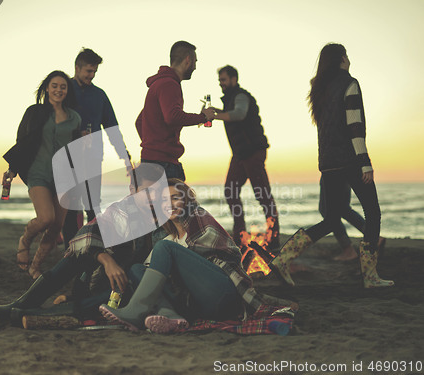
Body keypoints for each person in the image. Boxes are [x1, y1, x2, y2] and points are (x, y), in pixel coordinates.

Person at [269, 43, 393, 288]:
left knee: (331, 219)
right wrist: (364, 162)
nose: (349, 59)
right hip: (349, 160)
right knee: (373, 212)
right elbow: (355, 126)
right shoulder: (350, 83)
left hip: (327, 163)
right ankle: (370, 276)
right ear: (341, 60)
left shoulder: (320, 89)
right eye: (346, 55)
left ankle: (284, 257)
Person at [100, 179, 296, 333]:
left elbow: (232, 254)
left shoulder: (199, 218)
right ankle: (170, 315)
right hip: (195, 305)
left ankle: (135, 312)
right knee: (137, 269)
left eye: (176, 197)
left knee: (164, 249)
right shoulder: (167, 238)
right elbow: (153, 275)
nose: (170, 204)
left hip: (223, 294)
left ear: (186, 200)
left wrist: (174, 264)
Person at [0, 163, 168, 322]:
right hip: (99, 280)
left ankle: (40, 314)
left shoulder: (166, 217)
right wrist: (106, 260)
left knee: (127, 285)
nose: (152, 198)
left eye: (158, 192)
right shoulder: (121, 211)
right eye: (146, 191)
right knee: (79, 254)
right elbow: (87, 233)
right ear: (132, 189)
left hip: (128, 288)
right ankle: (23, 303)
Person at [3, 70, 81, 279]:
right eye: (54, 85)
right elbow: (22, 140)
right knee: (46, 218)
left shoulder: (75, 117)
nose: (58, 90)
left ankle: (35, 267)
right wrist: (12, 169)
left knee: (56, 226)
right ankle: (25, 240)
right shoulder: (34, 112)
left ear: (67, 90)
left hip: (65, 177)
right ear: (47, 88)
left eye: (63, 86)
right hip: (39, 172)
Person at [62, 48, 130, 251]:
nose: (91, 76)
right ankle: (70, 251)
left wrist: (124, 157)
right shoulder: (64, 91)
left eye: (94, 72)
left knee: (93, 206)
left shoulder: (99, 95)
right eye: (88, 71)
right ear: (77, 68)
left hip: (93, 159)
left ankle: (92, 249)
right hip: (68, 160)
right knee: (69, 208)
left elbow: (112, 128)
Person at [211, 65, 279, 248]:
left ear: (234, 79)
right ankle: (240, 236)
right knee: (230, 191)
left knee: (263, 194)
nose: (221, 84)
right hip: (240, 154)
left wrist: (216, 115)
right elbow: (230, 113)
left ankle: (273, 239)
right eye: (220, 81)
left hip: (253, 152)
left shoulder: (241, 96)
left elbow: (239, 114)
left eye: (224, 80)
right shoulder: (230, 99)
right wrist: (214, 112)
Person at [135, 41, 215, 181]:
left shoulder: (159, 84)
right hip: (163, 164)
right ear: (188, 60)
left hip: (151, 161)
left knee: (160, 203)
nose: (195, 67)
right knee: (180, 202)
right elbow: (172, 117)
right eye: (195, 61)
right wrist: (203, 116)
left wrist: (153, 146)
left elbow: (139, 121)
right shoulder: (169, 84)